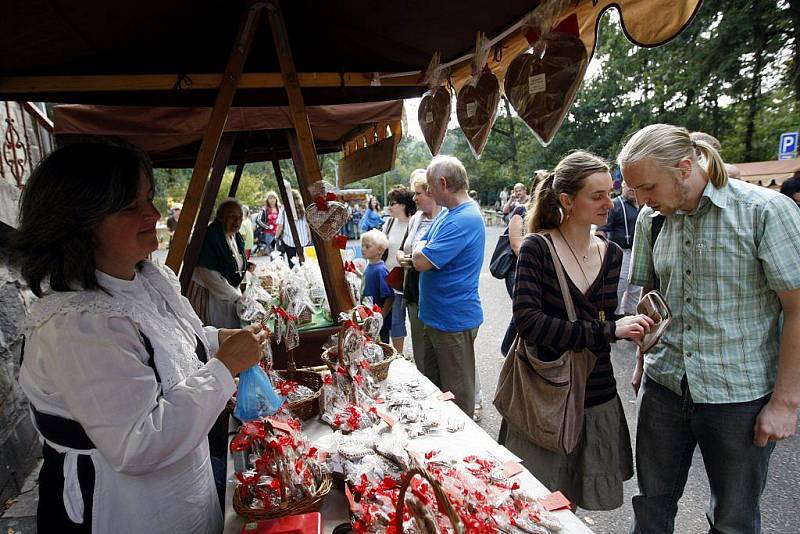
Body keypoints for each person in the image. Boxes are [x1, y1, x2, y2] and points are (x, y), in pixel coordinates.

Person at [11, 142, 266, 533]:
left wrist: (220, 340)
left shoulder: (147, 279)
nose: (153, 214)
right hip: (125, 508)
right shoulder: (76, 327)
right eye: (130, 207)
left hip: (179, 484)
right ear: (78, 222)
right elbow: (138, 442)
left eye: (147, 198)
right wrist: (226, 365)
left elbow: (176, 347)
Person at [619, 124, 800, 533]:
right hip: (664, 385)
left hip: (738, 395)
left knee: (733, 519)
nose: (642, 201)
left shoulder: (765, 211)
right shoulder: (652, 218)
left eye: (648, 187)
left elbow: (797, 308)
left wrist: (786, 403)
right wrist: (640, 361)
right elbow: (653, 296)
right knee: (651, 505)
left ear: (685, 167)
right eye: (636, 192)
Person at [504, 151, 653, 511]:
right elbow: (529, 323)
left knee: (570, 502)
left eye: (612, 192)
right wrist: (609, 330)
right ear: (567, 200)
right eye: (597, 195)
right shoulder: (537, 247)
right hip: (547, 395)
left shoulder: (613, 253)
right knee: (537, 503)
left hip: (597, 393)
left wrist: (630, 327)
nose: (610, 203)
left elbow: (601, 318)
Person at [412, 155, 485, 418]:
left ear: (443, 183)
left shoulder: (463, 219)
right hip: (438, 318)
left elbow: (420, 260)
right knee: (435, 390)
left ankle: (465, 453)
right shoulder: (449, 215)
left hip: (453, 320)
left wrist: (420, 249)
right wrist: (421, 248)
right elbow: (420, 244)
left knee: (456, 399)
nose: (428, 192)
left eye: (430, 186)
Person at [400, 169, 445, 376]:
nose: (414, 198)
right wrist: (402, 258)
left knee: (445, 351)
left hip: (436, 295)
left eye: (418, 193)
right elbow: (404, 248)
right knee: (420, 347)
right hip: (414, 291)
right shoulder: (415, 219)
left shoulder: (446, 219)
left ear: (431, 193)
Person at [189, 198, 247, 329]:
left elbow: (233, 260)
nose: (237, 221)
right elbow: (210, 275)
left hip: (229, 295)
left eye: (240, 217)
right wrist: (237, 298)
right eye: (232, 217)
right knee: (216, 335)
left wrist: (246, 265)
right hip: (210, 297)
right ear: (221, 217)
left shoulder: (233, 236)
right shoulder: (211, 238)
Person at [596, 181, 641, 314]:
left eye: (635, 186)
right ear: (622, 186)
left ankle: (631, 318)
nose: (632, 189)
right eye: (629, 186)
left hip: (637, 253)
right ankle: (613, 317)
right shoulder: (615, 205)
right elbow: (601, 230)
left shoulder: (641, 206)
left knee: (636, 289)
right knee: (618, 287)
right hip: (621, 253)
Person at [382, 185, 416, 353]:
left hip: (404, 279)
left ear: (403, 204)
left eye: (392, 203)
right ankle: (394, 353)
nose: (389, 206)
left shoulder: (414, 222)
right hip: (386, 277)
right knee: (390, 318)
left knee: (404, 318)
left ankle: (404, 354)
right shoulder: (388, 222)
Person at [360, 229, 394, 343]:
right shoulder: (370, 266)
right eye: (362, 246)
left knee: (381, 345)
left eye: (367, 246)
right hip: (369, 317)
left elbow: (390, 297)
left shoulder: (380, 270)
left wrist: (380, 317)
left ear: (380, 250)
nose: (363, 249)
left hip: (377, 321)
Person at [275, 189, 312, 265]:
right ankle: (302, 273)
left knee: (292, 261)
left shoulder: (284, 209)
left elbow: (280, 226)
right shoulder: (304, 209)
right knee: (302, 261)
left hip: (289, 240)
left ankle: (295, 273)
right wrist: (309, 238)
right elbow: (308, 226)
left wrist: (276, 237)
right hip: (303, 240)